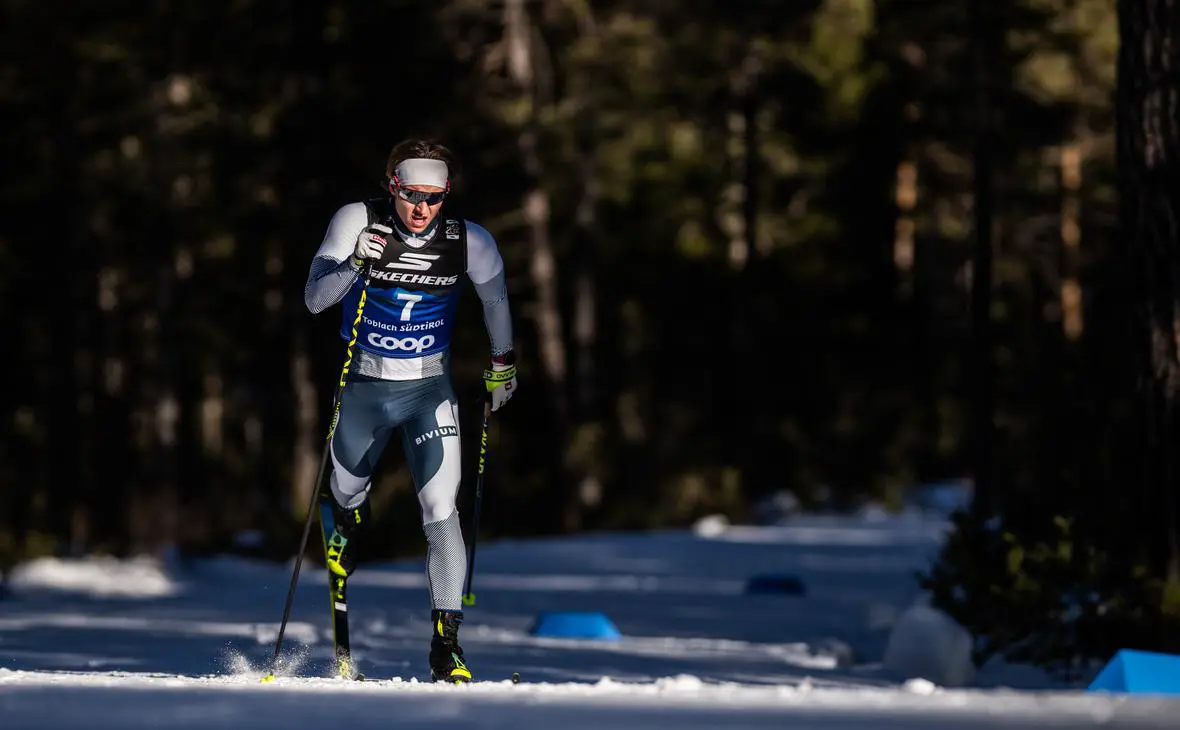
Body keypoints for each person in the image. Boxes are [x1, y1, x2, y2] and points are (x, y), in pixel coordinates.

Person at [303, 138, 517, 683]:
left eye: (435, 198)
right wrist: (354, 262)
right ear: (392, 187)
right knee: (347, 491)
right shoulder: (356, 219)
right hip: (364, 390)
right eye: (412, 195)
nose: (422, 209)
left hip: (429, 392)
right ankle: (349, 516)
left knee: (442, 510)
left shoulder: (469, 241)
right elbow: (315, 299)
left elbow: (495, 300)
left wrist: (503, 366)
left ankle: (447, 646)